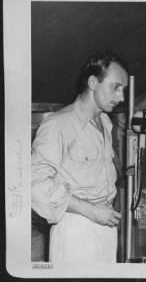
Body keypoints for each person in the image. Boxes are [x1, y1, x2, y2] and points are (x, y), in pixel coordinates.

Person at [31, 51, 128, 263]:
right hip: (75, 230)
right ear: (93, 82)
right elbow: (33, 184)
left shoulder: (105, 122)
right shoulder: (58, 125)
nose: (121, 97)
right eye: (116, 87)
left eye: (124, 90)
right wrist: (90, 211)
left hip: (105, 225)